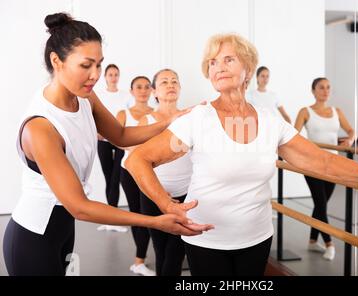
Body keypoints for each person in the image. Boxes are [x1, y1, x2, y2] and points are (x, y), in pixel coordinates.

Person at [125, 33, 358, 276]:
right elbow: (139, 159)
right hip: (207, 240)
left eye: (228, 59)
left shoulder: (270, 120)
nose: (218, 67)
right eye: (213, 62)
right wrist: (166, 204)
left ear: (248, 69)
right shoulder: (197, 118)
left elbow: (320, 160)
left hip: (257, 238)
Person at [2, 12, 211, 276]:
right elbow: (79, 206)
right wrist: (156, 222)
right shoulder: (41, 127)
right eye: (86, 65)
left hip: (63, 228)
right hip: (33, 235)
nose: (95, 75)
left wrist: (169, 119)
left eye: (99, 65)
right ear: (57, 61)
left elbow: (121, 136)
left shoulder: (85, 99)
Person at [138, 69, 193, 276]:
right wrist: (158, 193)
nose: (170, 85)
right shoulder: (146, 121)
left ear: (179, 88)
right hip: (153, 195)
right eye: (164, 82)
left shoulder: (191, 118)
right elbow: (138, 163)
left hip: (185, 195)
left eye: (174, 81)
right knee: (161, 251)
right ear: (154, 91)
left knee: (176, 253)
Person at [294, 77, 355, 261]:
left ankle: (312, 240)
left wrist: (350, 140)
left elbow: (351, 131)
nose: (325, 90)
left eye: (328, 87)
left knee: (321, 205)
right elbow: (293, 136)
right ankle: (329, 243)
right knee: (321, 204)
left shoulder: (337, 111)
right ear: (313, 91)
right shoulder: (305, 111)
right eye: (321, 87)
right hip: (312, 164)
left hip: (332, 164)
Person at [116, 76, 155, 276]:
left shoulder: (156, 114)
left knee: (149, 214)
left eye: (147, 87)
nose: (143, 90)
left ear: (152, 90)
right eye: (138, 87)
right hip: (129, 170)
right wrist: (139, 148)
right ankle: (139, 261)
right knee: (136, 214)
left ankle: (141, 259)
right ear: (131, 91)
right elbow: (117, 140)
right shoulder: (124, 114)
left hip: (150, 170)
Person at [96, 64, 131, 232]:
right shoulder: (99, 94)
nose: (113, 77)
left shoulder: (126, 96)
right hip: (102, 139)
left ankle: (113, 219)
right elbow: (93, 114)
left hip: (119, 139)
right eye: (110, 74)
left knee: (116, 177)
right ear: (105, 76)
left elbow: (128, 116)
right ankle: (110, 218)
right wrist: (97, 131)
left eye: (116, 74)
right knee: (108, 177)